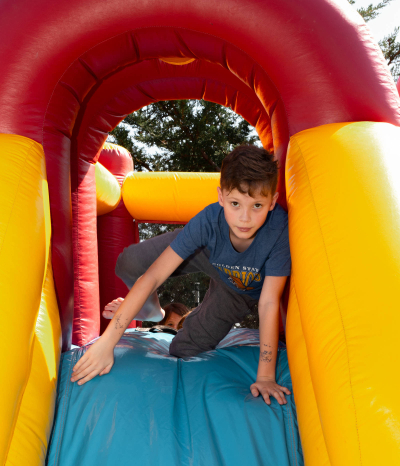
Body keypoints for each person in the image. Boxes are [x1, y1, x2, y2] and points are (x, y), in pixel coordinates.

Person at [71, 145, 291, 406]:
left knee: (182, 350)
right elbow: (152, 277)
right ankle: (153, 313)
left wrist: (265, 375)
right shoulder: (209, 221)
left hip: (237, 290)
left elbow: (268, 302)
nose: (245, 218)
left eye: (257, 205)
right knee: (129, 262)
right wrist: (107, 343)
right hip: (206, 252)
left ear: (273, 201)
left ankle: (194, 317)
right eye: (235, 204)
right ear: (221, 197)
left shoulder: (279, 231)